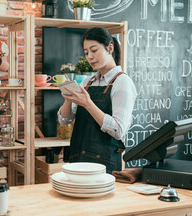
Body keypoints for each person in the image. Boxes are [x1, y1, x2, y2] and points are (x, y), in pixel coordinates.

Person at [58, 27, 137, 173]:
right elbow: (64, 120)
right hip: (77, 162)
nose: (89, 57)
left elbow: (118, 130)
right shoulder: (88, 82)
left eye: (94, 50)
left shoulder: (122, 82)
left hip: (104, 167)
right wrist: (68, 99)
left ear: (110, 48)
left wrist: (88, 104)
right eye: (86, 53)